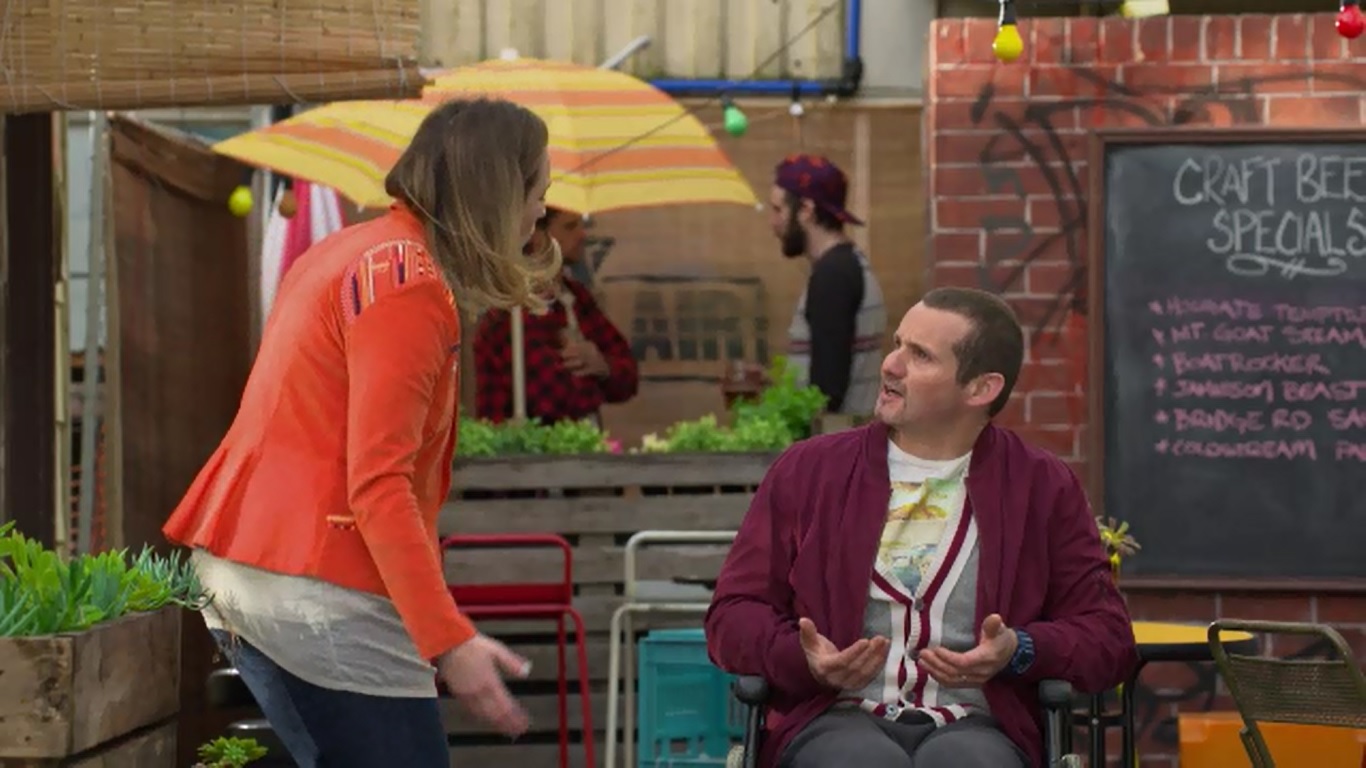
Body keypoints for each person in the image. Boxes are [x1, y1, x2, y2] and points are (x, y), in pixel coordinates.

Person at [162, 98, 560, 768]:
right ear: (495, 194)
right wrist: (449, 640)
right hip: (316, 584)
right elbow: (378, 483)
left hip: (263, 567)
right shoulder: (409, 284)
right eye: (538, 191)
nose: (542, 210)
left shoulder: (356, 249)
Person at [705, 287, 1137, 768]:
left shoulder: (1042, 486)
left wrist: (1021, 649)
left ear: (980, 389)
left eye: (920, 356)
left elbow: (1108, 639)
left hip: (980, 725)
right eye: (897, 345)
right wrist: (802, 658)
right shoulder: (809, 472)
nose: (890, 366)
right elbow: (732, 615)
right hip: (835, 718)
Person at [474, 206, 638, 424]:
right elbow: (552, 399)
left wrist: (602, 365)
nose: (582, 235)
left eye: (581, 225)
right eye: (570, 227)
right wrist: (600, 378)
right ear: (535, 235)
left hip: (581, 440)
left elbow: (629, 376)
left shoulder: (577, 297)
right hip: (528, 444)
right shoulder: (510, 310)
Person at [769, 154, 886, 415]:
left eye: (778, 210)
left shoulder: (833, 276)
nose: (773, 223)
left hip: (838, 436)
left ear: (806, 210)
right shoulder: (848, 265)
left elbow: (826, 393)